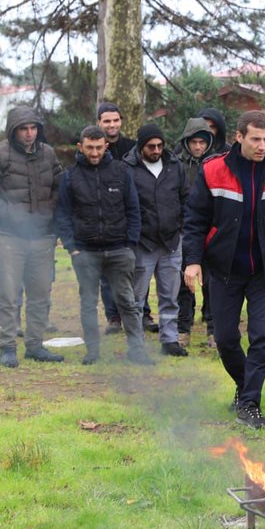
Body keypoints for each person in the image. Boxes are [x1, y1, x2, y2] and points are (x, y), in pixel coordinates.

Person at [182, 110, 265, 430]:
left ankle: (250, 403)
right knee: (225, 338)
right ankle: (244, 385)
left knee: (262, 338)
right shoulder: (213, 170)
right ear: (239, 137)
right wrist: (192, 260)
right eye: (255, 139)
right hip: (224, 269)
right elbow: (195, 220)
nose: (262, 146)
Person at [0, 105, 64, 368]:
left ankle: (35, 345)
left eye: (33, 128)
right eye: (23, 128)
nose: (29, 133)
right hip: (9, 236)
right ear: (13, 130)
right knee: (9, 295)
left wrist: (49, 212)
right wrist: (10, 214)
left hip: (42, 236)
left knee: (41, 295)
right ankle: (7, 346)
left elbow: (60, 186)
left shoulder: (48, 153)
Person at [56, 125, 153, 366]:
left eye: (99, 147)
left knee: (128, 302)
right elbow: (62, 215)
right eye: (90, 147)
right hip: (85, 251)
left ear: (106, 146)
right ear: (80, 147)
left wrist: (130, 244)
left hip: (120, 249)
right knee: (88, 303)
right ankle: (92, 351)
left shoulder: (121, 172)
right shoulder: (70, 177)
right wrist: (72, 247)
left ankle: (137, 350)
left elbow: (133, 209)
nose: (95, 152)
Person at [123, 123, 189, 357]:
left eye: (160, 145)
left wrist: (181, 230)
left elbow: (186, 199)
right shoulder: (127, 169)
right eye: (151, 146)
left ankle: (170, 340)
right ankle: (136, 344)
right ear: (141, 146)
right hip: (143, 243)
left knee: (170, 295)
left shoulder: (175, 166)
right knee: (136, 297)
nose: (157, 150)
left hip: (171, 242)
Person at [95, 101, 141, 334]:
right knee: (106, 274)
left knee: (134, 269)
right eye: (107, 121)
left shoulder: (132, 147)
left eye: (115, 120)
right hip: (102, 219)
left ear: (121, 121)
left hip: (129, 215)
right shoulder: (93, 148)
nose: (111, 125)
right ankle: (113, 317)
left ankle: (141, 312)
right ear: (99, 123)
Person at [176, 115, 218, 347]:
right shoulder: (177, 165)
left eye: (202, 142)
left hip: (212, 232)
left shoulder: (217, 164)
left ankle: (213, 330)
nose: (198, 146)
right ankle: (183, 330)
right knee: (184, 284)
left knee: (212, 284)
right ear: (186, 142)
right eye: (194, 142)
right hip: (186, 232)